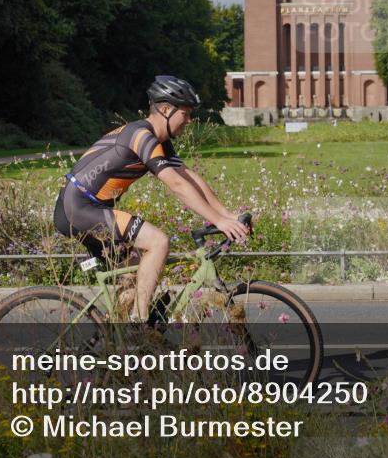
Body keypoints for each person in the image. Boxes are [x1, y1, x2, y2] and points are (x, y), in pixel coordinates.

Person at [53, 75, 250, 327]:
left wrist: (226, 215)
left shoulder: (159, 141)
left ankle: (117, 341)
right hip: (79, 209)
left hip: (89, 208)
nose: (189, 121)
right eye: (185, 114)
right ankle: (139, 325)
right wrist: (218, 221)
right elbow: (177, 185)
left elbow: (188, 177)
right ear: (166, 110)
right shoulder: (141, 136)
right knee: (158, 242)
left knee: (137, 275)